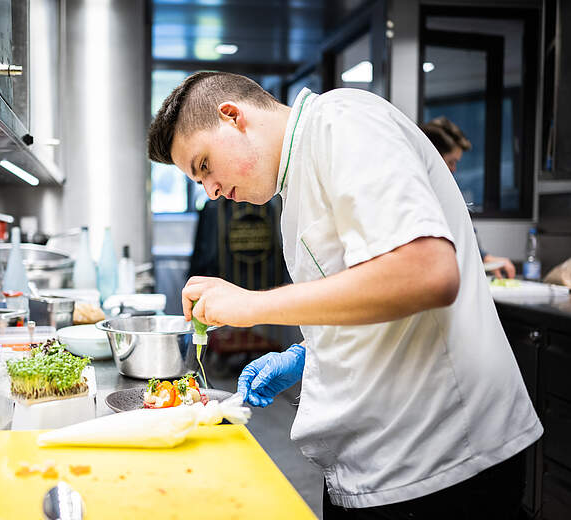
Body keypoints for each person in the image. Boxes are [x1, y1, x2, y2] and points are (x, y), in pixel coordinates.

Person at [147, 72, 542, 519]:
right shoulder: (294, 183)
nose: (211, 191)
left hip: (443, 463)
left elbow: (426, 272)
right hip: (371, 464)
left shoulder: (344, 122)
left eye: (204, 166)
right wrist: (307, 353)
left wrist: (250, 305)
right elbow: (368, 291)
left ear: (233, 117)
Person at [420, 117, 516, 279]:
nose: (454, 169)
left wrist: (486, 258)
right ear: (433, 156)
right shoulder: (419, 192)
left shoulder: (444, 191)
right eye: (451, 162)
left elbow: (461, 232)